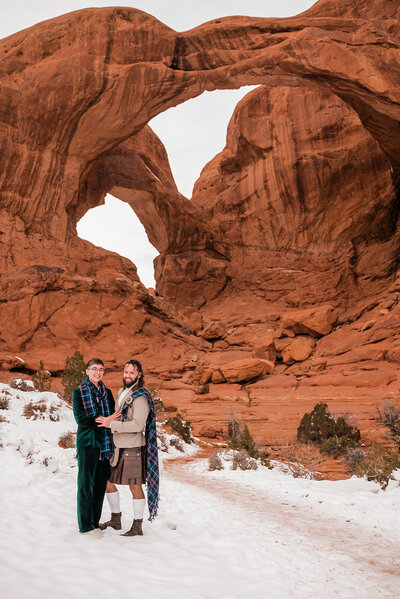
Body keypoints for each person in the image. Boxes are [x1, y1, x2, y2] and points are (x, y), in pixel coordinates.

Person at [97, 359, 159, 536]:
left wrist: (111, 425)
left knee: (135, 487)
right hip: (118, 448)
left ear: (139, 375)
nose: (128, 375)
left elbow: (138, 426)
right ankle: (116, 519)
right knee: (108, 483)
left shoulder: (140, 397)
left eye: (132, 372)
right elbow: (118, 416)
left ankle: (137, 526)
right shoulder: (121, 392)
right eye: (126, 372)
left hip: (133, 449)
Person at [72, 358, 120, 537]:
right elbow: (80, 419)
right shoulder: (79, 392)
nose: (97, 372)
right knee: (86, 485)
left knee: (100, 485)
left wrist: (110, 421)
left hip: (106, 444)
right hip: (88, 444)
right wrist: (103, 420)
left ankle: (94, 521)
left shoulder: (107, 392)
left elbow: (115, 416)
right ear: (87, 371)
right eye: (94, 369)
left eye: (101, 369)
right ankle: (85, 527)